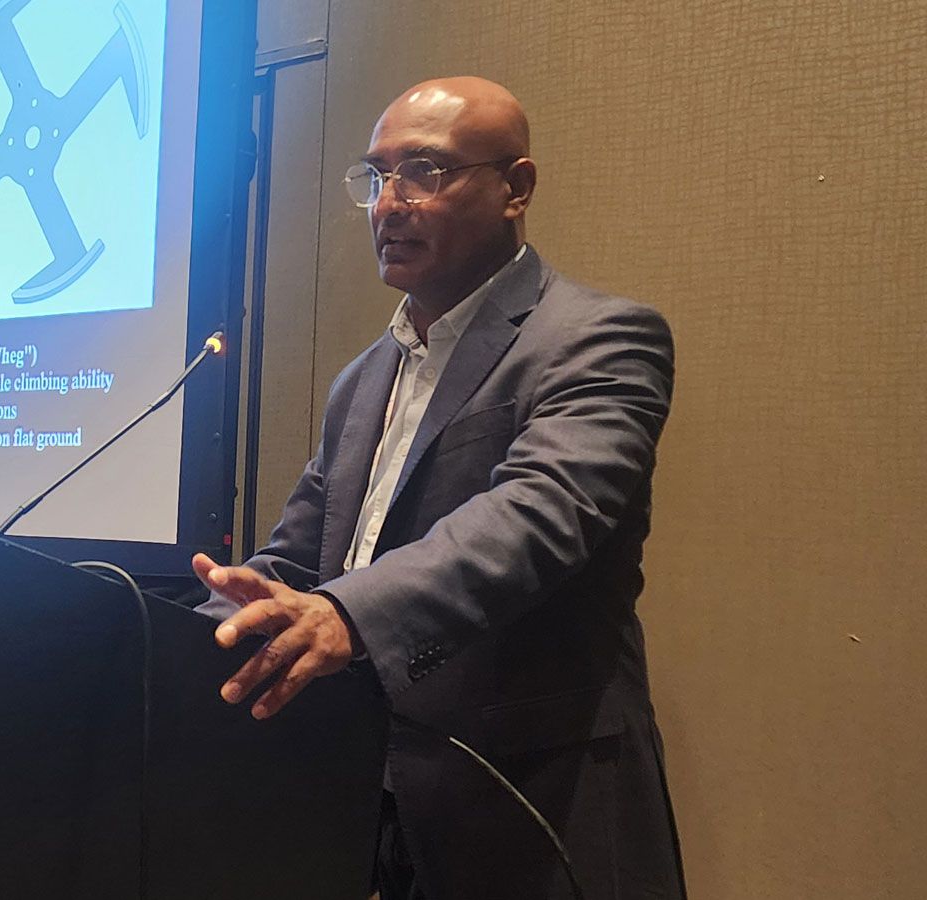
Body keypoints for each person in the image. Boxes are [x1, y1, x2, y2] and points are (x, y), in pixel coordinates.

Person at [193, 77, 687, 899]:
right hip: (373, 800)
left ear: (515, 188)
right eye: (376, 176)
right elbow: (303, 558)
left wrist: (348, 615)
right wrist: (206, 628)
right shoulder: (364, 378)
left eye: (424, 171)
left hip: (533, 801)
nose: (390, 203)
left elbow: (538, 514)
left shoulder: (599, 339)